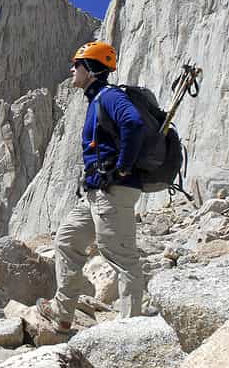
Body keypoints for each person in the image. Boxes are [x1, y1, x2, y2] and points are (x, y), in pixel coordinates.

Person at [37, 40, 147, 330]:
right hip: (96, 192)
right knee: (67, 240)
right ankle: (62, 312)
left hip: (113, 190)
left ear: (91, 69)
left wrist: (122, 167)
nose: (72, 69)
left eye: (77, 64)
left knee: (120, 257)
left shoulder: (110, 96)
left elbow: (133, 123)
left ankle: (132, 328)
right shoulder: (97, 99)